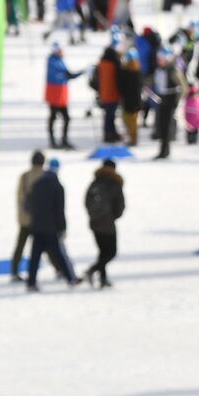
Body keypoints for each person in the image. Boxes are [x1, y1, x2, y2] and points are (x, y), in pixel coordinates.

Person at [25, 158, 80, 291]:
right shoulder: (58, 187)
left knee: (35, 257)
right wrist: (62, 228)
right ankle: (70, 278)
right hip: (51, 228)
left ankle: (31, 283)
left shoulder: (37, 184)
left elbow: (28, 205)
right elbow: (59, 210)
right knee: (59, 255)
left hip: (37, 226)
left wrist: (35, 218)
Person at [83, 158, 125, 288]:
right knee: (111, 252)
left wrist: (93, 216)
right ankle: (91, 271)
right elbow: (120, 205)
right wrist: (113, 216)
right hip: (108, 224)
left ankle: (103, 278)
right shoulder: (114, 183)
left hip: (94, 223)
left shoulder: (95, 182)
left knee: (102, 251)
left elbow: (86, 202)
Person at [11, 151, 49, 282]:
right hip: (41, 220)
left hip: (25, 219)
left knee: (20, 246)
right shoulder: (46, 176)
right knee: (48, 246)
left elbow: (20, 198)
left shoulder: (25, 176)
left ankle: (14, 271)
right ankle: (59, 269)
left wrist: (22, 215)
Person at [45, 41, 84, 150]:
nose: (62, 52)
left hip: (61, 94)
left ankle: (64, 140)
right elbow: (63, 75)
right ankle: (53, 141)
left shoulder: (59, 60)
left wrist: (82, 72)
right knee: (53, 117)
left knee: (66, 118)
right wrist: (71, 75)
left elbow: (68, 74)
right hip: (54, 94)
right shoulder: (52, 61)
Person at [152, 48, 184, 159]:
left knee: (166, 126)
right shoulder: (159, 70)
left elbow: (183, 87)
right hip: (161, 100)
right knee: (161, 126)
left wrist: (177, 102)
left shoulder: (173, 70)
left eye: (161, 59)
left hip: (170, 101)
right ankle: (163, 150)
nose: (159, 61)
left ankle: (165, 150)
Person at [119, 46, 143, 146]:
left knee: (128, 121)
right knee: (133, 121)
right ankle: (133, 138)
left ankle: (133, 139)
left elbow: (121, 86)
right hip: (136, 101)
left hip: (128, 101)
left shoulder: (125, 71)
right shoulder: (138, 71)